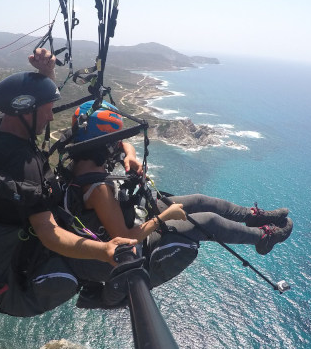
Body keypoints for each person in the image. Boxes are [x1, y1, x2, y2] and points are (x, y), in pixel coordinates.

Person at [0, 48, 137, 313]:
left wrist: (45, 75)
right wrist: (103, 250)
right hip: (36, 242)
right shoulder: (25, 169)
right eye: (46, 111)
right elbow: (50, 235)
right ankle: (96, 290)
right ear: (26, 112)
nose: (49, 117)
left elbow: (29, 106)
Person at [65, 100, 293, 257]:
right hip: (139, 235)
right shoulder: (97, 190)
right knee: (208, 221)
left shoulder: (83, 156)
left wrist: (130, 156)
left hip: (133, 212)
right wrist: (165, 217)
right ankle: (262, 238)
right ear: (101, 143)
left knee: (201, 200)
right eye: (112, 141)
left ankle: (251, 217)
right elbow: (125, 239)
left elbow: (124, 143)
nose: (117, 145)